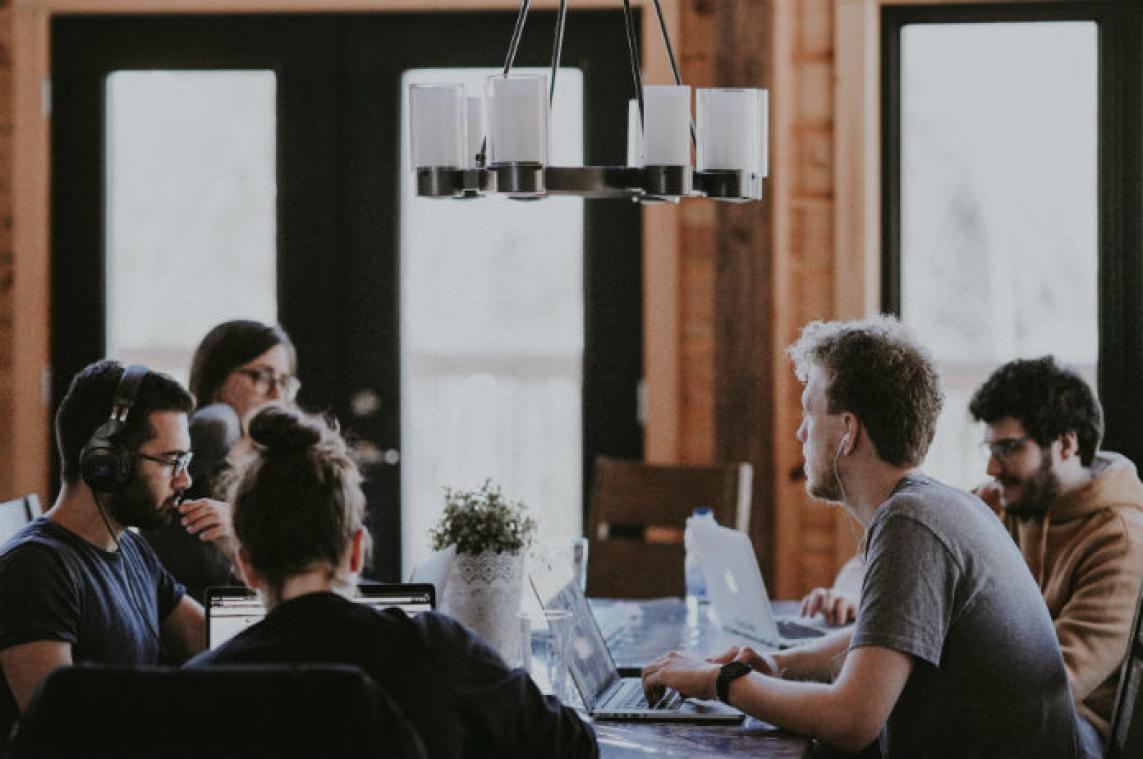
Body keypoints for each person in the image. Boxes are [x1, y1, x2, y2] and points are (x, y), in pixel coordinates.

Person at [641, 316, 1079, 758]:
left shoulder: (911, 523)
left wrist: (716, 682)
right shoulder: (939, 505)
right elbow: (879, 638)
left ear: (848, 432)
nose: (800, 432)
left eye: (809, 412)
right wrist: (778, 664)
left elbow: (850, 720)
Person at [186, 406, 597, 759]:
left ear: (245, 566)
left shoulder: (201, 684)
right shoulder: (434, 648)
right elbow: (573, 746)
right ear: (355, 551)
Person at [0, 361, 232, 740]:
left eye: (185, 462)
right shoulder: (35, 569)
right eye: (172, 461)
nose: (185, 480)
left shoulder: (130, 548)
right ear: (107, 462)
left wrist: (245, 551)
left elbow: (216, 643)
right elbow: (61, 734)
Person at [969, 356, 1143, 752]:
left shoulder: (1122, 538)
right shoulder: (997, 501)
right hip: (997, 704)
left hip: (1073, 727)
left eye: (1009, 448)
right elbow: (911, 552)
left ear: (1066, 444)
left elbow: (1055, 680)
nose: (993, 467)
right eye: (990, 448)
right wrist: (849, 591)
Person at [143, 319, 298, 603]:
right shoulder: (193, 456)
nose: (277, 393)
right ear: (217, 380)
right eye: (261, 376)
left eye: (285, 382)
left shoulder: (287, 461)